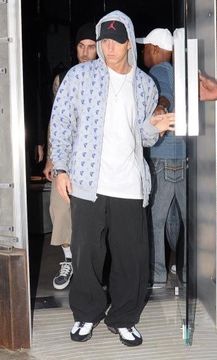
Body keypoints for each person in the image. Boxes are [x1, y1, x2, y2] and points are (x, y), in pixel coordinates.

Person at [50, 10, 174, 347]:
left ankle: (124, 318)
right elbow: (61, 123)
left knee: (130, 256)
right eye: (104, 40)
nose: (108, 48)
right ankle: (86, 314)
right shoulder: (79, 76)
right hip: (88, 182)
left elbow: (145, 137)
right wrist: (60, 167)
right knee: (87, 253)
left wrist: (156, 128)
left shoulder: (145, 84)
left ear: (129, 42)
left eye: (116, 41)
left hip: (130, 184)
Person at [43, 23, 97, 290]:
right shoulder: (62, 78)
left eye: (91, 46)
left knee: (93, 213)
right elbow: (56, 119)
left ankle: (92, 265)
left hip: (96, 157)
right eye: (81, 46)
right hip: (65, 156)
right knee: (60, 208)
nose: (86, 52)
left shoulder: (106, 77)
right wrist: (51, 156)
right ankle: (69, 260)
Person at [136, 29, 186, 287]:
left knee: (155, 221)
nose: (143, 53)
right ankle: (187, 273)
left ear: (155, 49)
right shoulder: (180, 72)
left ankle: (156, 274)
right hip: (182, 157)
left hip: (163, 157)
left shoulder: (159, 72)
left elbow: (164, 94)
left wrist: (160, 107)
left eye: (145, 48)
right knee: (180, 219)